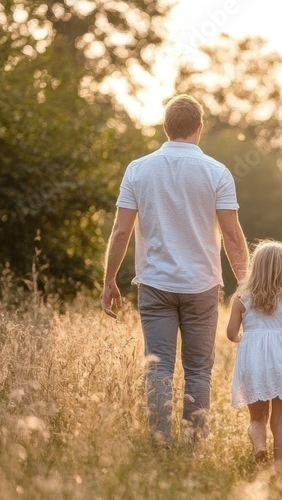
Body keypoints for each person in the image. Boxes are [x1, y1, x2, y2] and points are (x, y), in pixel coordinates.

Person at [101, 94, 249, 446]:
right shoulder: (217, 172)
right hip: (202, 286)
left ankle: (159, 443)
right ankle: (193, 446)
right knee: (198, 370)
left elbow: (121, 231)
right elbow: (232, 235)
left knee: (158, 367)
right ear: (200, 128)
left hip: (155, 284)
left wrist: (109, 280)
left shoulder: (138, 169)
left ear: (166, 128)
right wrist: (246, 286)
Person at [226, 240, 282, 475]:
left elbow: (231, 334)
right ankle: (279, 469)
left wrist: (244, 337)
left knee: (257, 418)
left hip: (253, 362)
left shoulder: (242, 299)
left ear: (255, 268)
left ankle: (260, 447)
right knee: (280, 422)